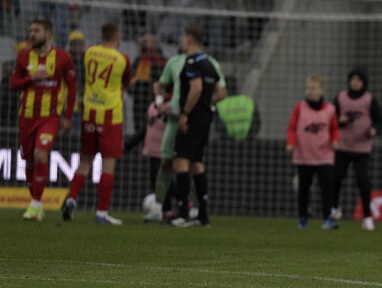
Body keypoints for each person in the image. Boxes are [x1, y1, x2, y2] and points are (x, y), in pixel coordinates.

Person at [145, 43, 226, 223]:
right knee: (167, 161)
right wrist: (159, 102)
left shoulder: (203, 62)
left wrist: (198, 106)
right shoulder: (174, 62)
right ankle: (159, 208)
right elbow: (160, 85)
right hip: (175, 118)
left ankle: (190, 209)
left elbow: (220, 92)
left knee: (188, 163)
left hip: (187, 118)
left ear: (189, 40)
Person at [61, 22, 130, 225]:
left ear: (102, 34)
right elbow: (125, 82)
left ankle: (71, 199)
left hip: (89, 113)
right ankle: (101, 213)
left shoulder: (90, 52)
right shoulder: (122, 58)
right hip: (110, 116)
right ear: (117, 35)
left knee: (85, 161)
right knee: (108, 165)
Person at [11, 18, 76, 221]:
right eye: (30, 30)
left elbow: (72, 88)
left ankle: (36, 203)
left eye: (36, 31)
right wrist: (33, 78)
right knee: (29, 160)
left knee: (41, 154)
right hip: (27, 116)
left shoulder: (63, 58)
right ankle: (36, 203)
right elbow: (14, 84)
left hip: (50, 117)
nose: (32, 34)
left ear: (48, 34)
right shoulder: (23, 56)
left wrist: (67, 116)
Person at [170, 25, 225, 227]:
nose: (182, 42)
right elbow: (220, 93)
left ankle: (183, 213)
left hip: (192, 117)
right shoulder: (209, 63)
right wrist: (205, 105)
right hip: (206, 117)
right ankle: (203, 215)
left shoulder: (192, 62)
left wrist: (186, 112)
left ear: (190, 39)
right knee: (197, 163)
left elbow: (196, 87)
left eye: (183, 38)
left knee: (181, 162)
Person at [331, 67, 382, 231]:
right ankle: (334, 208)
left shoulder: (369, 99)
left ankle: (367, 217)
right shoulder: (340, 97)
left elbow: (380, 120)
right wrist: (340, 121)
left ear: (364, 83)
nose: (355, 83)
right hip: (343, 146)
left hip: (362, 148)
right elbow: (331, 119)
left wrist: (374, 130)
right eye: (353, 79)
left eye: (359, 80)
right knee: (336, 177)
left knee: (363, 180)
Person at [286, 75, 340, 230]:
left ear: (322, 90)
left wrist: (335, 141)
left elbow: (334, 128)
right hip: (304, 155)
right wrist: (290, 143)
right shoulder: (299, 107)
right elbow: (292, 127)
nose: (310, 91)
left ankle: (327, 218)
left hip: (324, 154)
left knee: (327, 185)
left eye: (314, 88)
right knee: (304, 188)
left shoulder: (330, 109)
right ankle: (303, 218)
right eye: (308, 88)